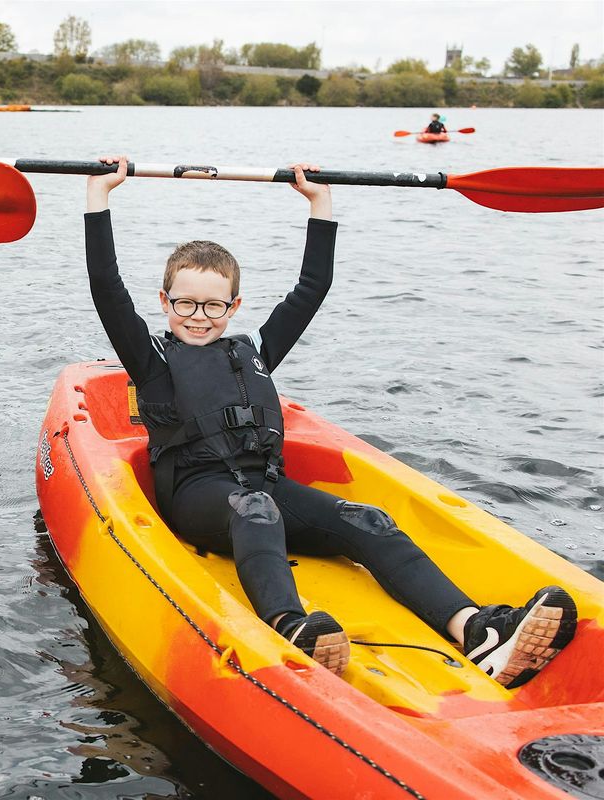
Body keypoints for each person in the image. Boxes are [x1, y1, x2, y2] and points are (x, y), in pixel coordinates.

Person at [81, 155, 578, 687]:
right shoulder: (151, 362)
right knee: (255, 509)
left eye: (213, 306)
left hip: (266, 490)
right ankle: (290, 629)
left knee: (367, 519)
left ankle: (477, 631)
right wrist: (99, 196)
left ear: (234, 305)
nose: (198, 317)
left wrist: (320, 202)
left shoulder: (257, 351)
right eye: (185, 304)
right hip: (197, 499)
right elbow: (107, 288)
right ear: (164, 301)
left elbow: (311, 287)